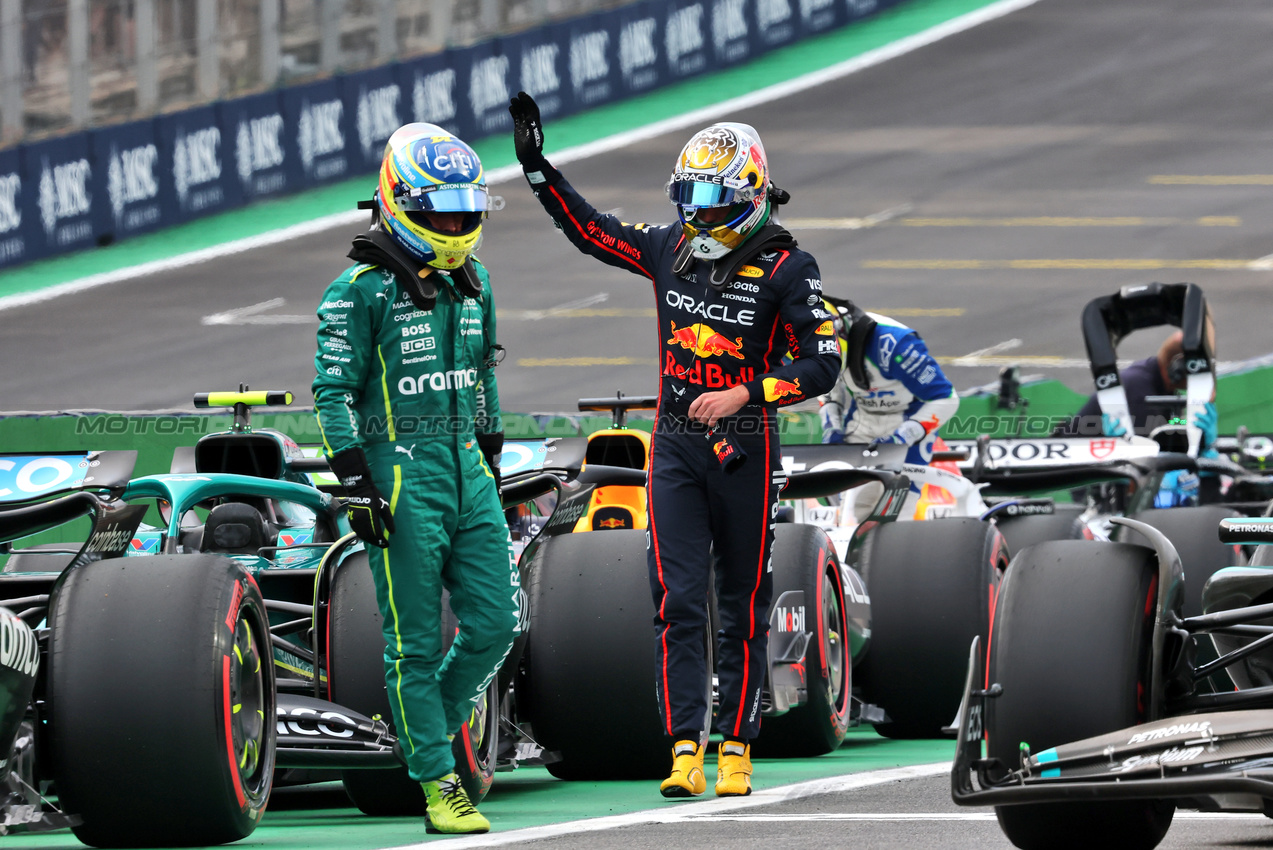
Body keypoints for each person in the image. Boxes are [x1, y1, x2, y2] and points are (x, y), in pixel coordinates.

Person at [508, 92, 840, 798]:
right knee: (677, 598)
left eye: (713, 199)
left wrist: (749, 393)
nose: (698, 213)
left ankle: (737, 749)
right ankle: (684, 748)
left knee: (740, 603)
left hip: (745, 447)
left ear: (749, 196)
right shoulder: (668, 246)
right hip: (674, 446)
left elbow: (823, 363)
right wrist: (538, 170)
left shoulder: (789, 268)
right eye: (688, 196)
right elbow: (591, 231)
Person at [311, 123, 519, 834]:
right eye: (443, 210)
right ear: (399, 204)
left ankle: (431, 722)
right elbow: (330, 395)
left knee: (497, 624)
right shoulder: (357, 290)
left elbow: (486, 370)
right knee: (414, 645)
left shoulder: (475, 280)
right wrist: (356, 484)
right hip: (398, 476)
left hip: (468, 468)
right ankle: (437, 783)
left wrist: (491, 452)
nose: (458, 225)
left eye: (468, 210)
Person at [1058, 329, 1219, 506]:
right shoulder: (1140, 395)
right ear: (1178, 367)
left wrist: (1187, 424)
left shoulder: (1157, 379)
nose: (1202, 378)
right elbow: (1150, 469)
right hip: (1087, 481)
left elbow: (1167, 425)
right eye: (1198, 370)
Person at [816, 297, 959, 464]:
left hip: (908, 421)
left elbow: (946, 398)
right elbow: (826, 389)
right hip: (861, 420)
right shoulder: (795, 346)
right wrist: (831, 428)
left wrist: (902, 437)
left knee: (902, 488)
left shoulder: (891, 343)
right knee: (837, 483)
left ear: (839, 331)